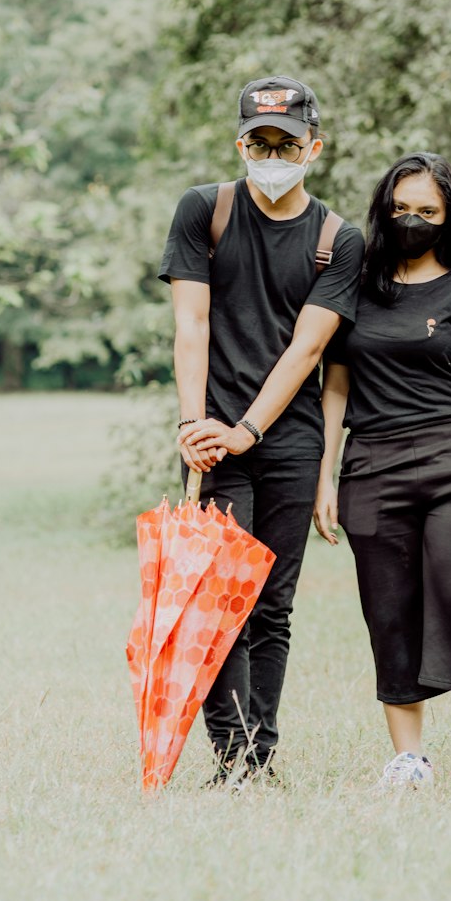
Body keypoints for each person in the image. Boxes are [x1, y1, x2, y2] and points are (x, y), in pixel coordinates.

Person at [159, 77, 364, 784]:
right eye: (258, 141)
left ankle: (259, 756)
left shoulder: (339, 240)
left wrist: (248, 426)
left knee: (272, 604)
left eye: (286, 142)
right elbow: (191, 321)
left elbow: (308, 349)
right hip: (212, 440)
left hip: (289, 440)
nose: (271, 154)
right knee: (221, 604)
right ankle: (231, 759)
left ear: (314, 145)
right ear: (239, 142)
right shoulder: (203, 211)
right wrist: (194, 423)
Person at [313, 152, 451, 800]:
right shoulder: (355, 291)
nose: (412, 219)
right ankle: (410, 760)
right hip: (371, 470)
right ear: (383, 210)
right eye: (401, 207)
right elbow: (335, 391)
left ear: (448, 216)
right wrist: (325, 478)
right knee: (389, 613)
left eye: (427, 210)